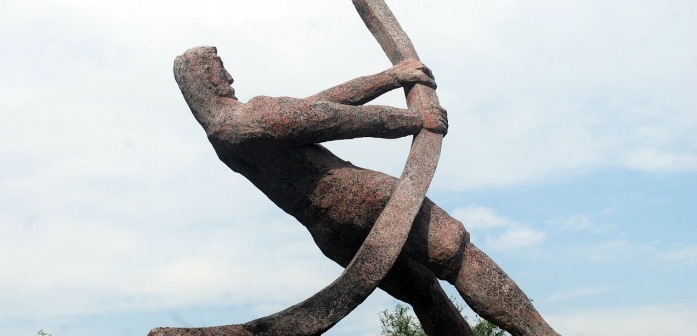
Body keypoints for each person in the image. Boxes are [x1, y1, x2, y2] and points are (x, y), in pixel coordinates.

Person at [173, 46, 560, 336]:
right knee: (455, 251)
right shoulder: (247, 119)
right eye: (221, 70)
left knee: (423, 292)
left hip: (332, 234)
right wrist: (414, 120)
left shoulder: (224, 135)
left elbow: (317, 105)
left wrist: (390, 77)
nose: (230, 78)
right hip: (365, 200)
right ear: (205, 78)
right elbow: (336, 119)